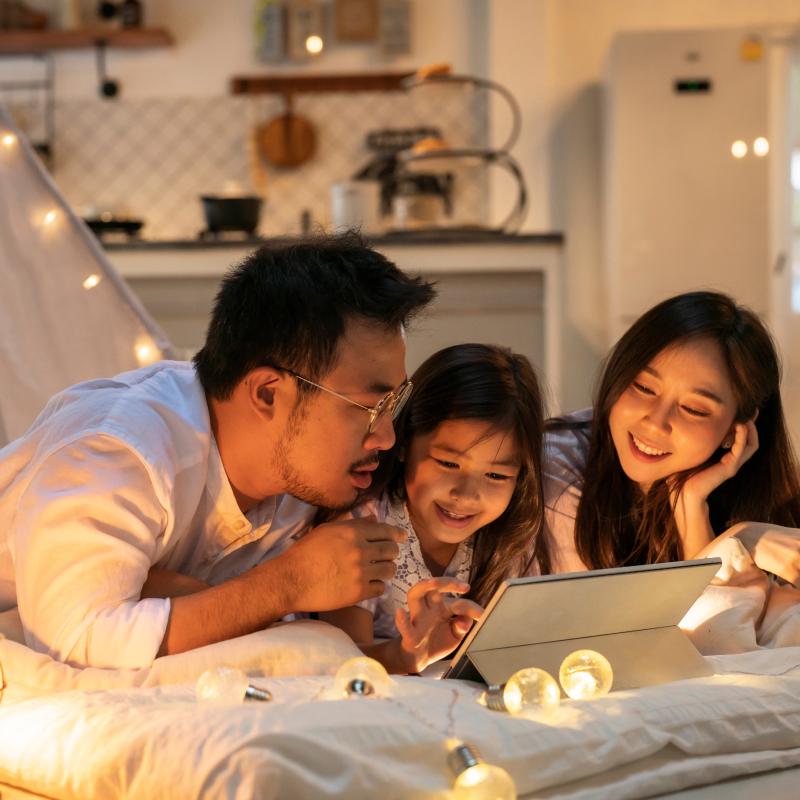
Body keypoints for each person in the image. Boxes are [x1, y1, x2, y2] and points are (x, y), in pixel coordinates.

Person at [0, 233, 436, 669]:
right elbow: (76, 638)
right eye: (369, 406)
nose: (386, 437)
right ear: (267, 394)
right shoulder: (117, 450)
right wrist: (286, 583)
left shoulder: (307, 482)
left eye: (392, 405)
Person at [322, 343, 548, 673]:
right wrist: (405, 654)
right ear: (404, 443)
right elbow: (340, 660)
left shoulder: (512, 537)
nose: (467, 495)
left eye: (496, 475)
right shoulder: (363, 526)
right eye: (448, 463)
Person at [542, 290, 800, 575]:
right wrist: (738, 542)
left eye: (694, 409)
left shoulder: (777, 511)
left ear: (736, 428)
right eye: (643, 388)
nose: (655, 422)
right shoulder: (552, 471)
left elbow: (717, 619)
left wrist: (692, 509)